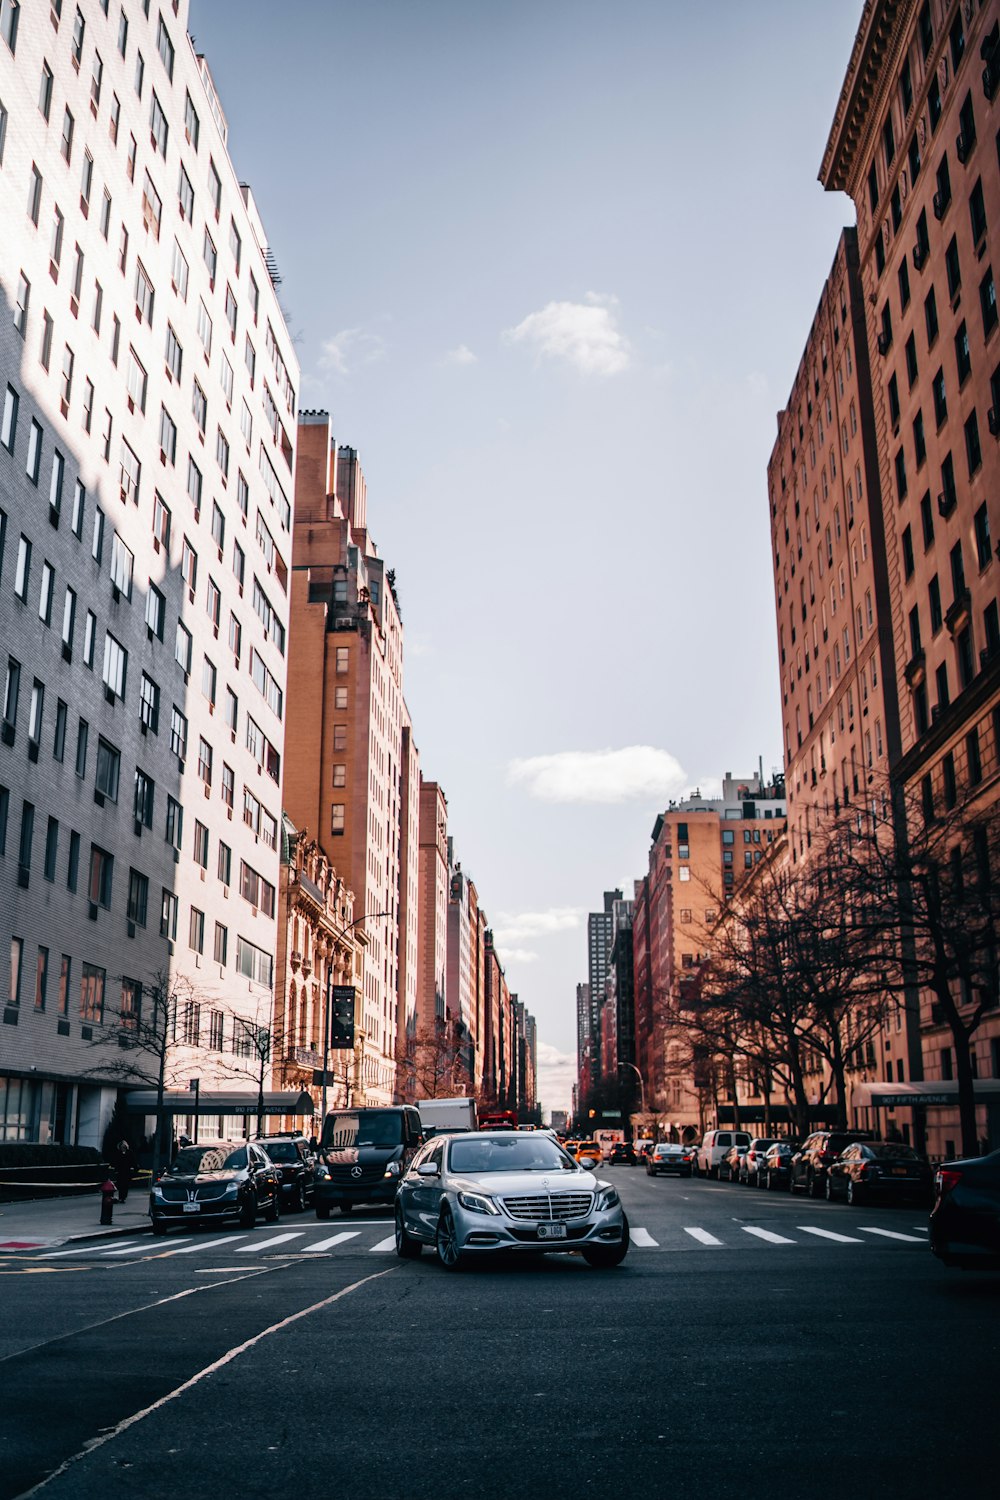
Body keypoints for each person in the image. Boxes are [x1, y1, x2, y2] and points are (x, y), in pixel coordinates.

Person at [114, 1138, 135, 1203]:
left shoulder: (129, 1152)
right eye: (121, 1147)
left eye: (124, 1146)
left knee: (126, 1185)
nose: (123, 1148)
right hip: (120, 1171)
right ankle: (121, 1197)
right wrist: (116, 1170)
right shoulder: (118, 1153)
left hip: (127, 1171)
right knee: (121, 1185)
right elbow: (116, 1162)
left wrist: (134, 1167)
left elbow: (132, 1161)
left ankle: (124, 1197)